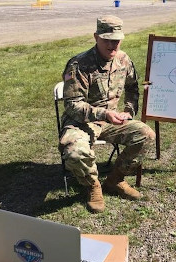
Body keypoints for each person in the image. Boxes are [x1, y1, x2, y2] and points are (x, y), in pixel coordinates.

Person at [59, 15, 155, 213]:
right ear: (96, 37)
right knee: (75, 152)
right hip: (81, 121)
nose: (112, 46)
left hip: (112, 119)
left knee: (146, 135)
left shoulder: (123, 60)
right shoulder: (79, 65)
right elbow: (72, 105)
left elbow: (132, 87)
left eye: (116, 41)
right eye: (107, 40)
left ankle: (115, 180)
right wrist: (104, 114)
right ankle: (93, 185)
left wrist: (128, 110)